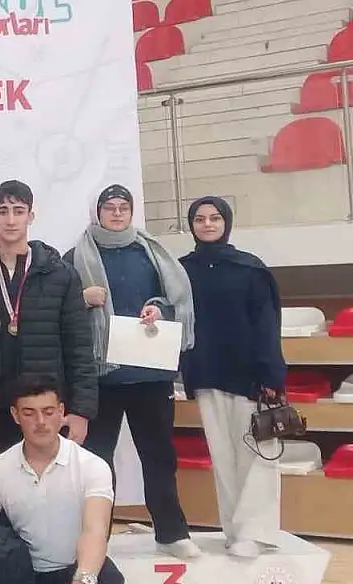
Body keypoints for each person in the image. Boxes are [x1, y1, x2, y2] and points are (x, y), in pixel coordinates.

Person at [65, 184, 200, 560]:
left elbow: (173, 300)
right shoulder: (75, 256)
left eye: (123, 207)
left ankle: (171, 533)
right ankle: (96, 539)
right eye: (109, 207)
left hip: (150, 374)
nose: (117, 213)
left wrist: (159, 308)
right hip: (101, 377)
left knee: (159, 457)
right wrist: (80, 298)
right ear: (97, 212)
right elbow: (55, 304)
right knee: (97, 463)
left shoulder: (150, 251)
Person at [0, 180, 97, 451]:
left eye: (18, 211)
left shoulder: (60, 275)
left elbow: (79, 347)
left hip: (43, 407)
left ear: (30, 216)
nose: (10, 220)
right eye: (2, 211)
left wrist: (81, 410)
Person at [179, 196, 286, 558]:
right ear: (191, 225)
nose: (207, 224)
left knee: (257, 454)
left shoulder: (250, 269)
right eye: (199, 219)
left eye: (214, 218)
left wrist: (271, 374)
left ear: (226, 222)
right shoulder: (183, 270)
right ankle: (234, 531)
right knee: (223, 458)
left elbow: (267, 324)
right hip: (207, 374)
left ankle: (257, 533)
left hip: (249, 376)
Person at [0, 377, 127, 584]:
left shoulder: (92, 466)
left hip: (79, 570)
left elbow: (95, 531)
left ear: (61, 412)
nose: (40, 422)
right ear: (15, 415)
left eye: (48, 412)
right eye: (29, 413)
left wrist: (84, 583)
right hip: (22, 577)